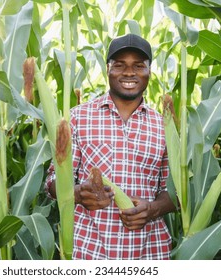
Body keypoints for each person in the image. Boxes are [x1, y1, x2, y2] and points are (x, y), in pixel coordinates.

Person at [45, 33, 177, 260]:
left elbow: (175, 193)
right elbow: (51, 184)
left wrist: (153, 209)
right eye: (119, 65)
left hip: (149, 253)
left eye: (138, 65)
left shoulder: (165, 127)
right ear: (107, 69)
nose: (129, 72)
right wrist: (76, 193)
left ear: (149, 72)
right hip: (89, 251)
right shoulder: (77, 118)